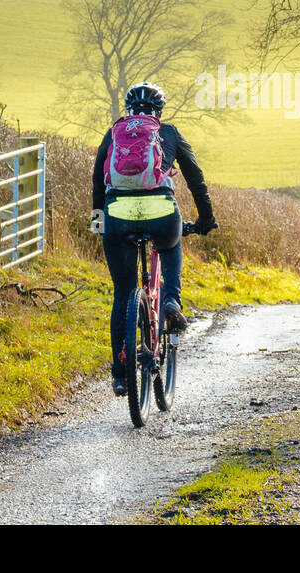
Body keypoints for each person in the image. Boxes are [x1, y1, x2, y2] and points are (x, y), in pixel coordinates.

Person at [92, 82, 217, 397]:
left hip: (117, 217)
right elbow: (195, 178)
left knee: (123, 294)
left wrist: (99, 222)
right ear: (158, 112)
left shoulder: (113, 133)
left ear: (129, 110)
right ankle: (172, 299)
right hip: (161, 214)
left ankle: (120, 374)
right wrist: (205, 220)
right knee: (171, 244)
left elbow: (97, 179)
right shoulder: (169, 133)